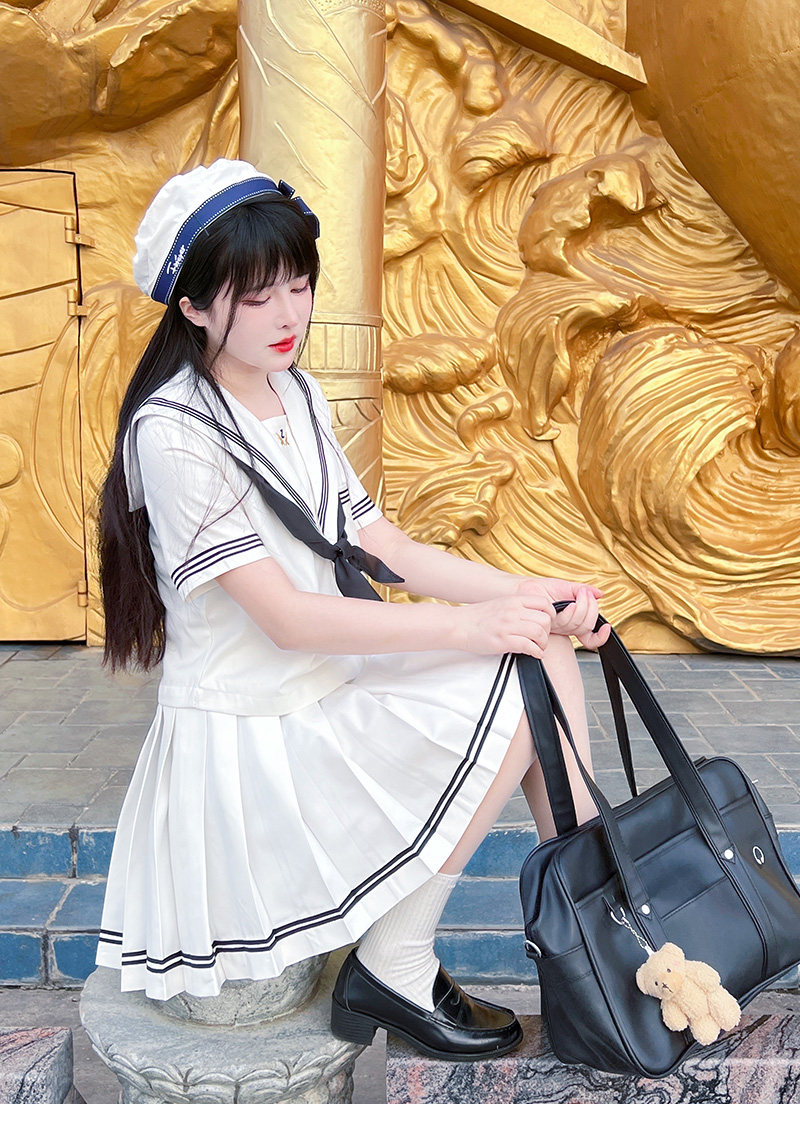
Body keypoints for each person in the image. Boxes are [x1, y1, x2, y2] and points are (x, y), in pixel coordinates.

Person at [95, 159, 610, 1062]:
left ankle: (599, 934)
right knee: (516, 680)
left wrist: (531, 593)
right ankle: (402, 961)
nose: (289, 314)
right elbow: (287, 619)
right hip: (257, 724)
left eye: (298, 285)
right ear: (195, 305)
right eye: (258, 296)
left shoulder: (293, 390)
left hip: (323, 682)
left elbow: (383, 545)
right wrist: (469, 626)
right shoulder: (172, 432)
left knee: (545, 654)